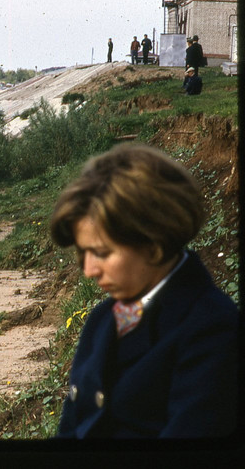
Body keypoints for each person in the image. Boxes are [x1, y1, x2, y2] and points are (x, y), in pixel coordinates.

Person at [50, 143, 238, 438]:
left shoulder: (212, 329)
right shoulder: (103, 319)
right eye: (83, 253)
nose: (89, 271)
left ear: (153, 244)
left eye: (101, 253)